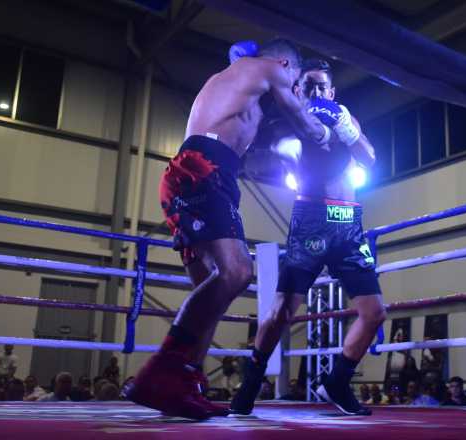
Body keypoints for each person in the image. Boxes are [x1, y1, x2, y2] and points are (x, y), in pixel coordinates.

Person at [123, 39, 332, 421]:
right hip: (204, 170)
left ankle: (187, 382)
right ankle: (158, 372)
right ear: (287, 64)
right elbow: (303, 121)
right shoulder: (269, 68)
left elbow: (256, 130)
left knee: (211, 289)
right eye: (297, 79)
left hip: (193, 174)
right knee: (237, 272)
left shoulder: (236, 85)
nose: (295, 87)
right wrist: (330, 133)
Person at [230, 57, 383, 416]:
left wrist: (349, 132)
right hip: (311, 221)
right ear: (298, 90)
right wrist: (308, 138)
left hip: (348, 224)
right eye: (308, 85)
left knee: (375, 313)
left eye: (321, 86)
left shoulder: (347, 117)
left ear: (332, 91)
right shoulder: (288, 121)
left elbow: (371, 159)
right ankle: (251, 382)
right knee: (284, 308)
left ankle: (338, 381)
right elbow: (289, 155)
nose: (315, 91)